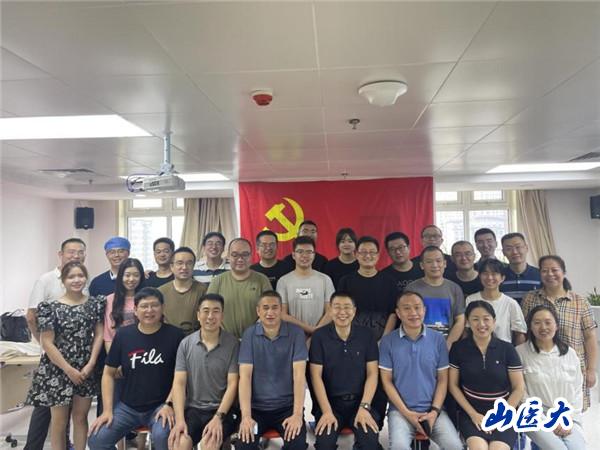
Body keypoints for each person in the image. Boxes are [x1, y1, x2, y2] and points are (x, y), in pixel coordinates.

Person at [88, 287, 184, 450]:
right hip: (127, 407)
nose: (149, 310)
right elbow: (108, 373)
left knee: (163, 437)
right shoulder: (123, 335)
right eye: (144, 306)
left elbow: (181, 377)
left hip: (160, 406)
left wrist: (169, 404)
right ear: (135, 310)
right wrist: (107, 410)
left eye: (154, 305)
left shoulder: (176, 336)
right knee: (97, 440)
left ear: (163, 308)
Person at [26, 261, 105, 450]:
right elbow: (47, 342)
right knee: (59, 422)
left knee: (80, 417)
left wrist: (91, 363)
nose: (76, 280)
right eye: (71, 277)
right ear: (63, 280)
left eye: (80, 276)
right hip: (58, 368)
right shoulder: (50, 307)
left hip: (85, 367)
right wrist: (68, 370)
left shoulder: (95, 304)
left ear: (86, 278)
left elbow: (99, 334)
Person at [24, 238, 87, 450]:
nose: (76, 255)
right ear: (60, 254)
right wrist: (46, 347)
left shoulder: (84, 280)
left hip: (78, 359)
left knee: (68, 412)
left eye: (80, 252)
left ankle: (65, 445)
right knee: (46, 409)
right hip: (54, 358)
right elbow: (31, 316)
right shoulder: (46, 280)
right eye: (71, 252)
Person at [379, 291, 463, 450]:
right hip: (400, 412)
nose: (413, 313)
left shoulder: (438, 339)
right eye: (406, 308)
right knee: (399, 447)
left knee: (455, 446)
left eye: (417, 307)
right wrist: (407, 413)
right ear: (398, 313)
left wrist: (434, 411)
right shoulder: (388, 342)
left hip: (434, 411)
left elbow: (443, 379)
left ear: (424, 310)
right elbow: (386, 381)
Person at [521, 255, 598, 410]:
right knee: (541, 411)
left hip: (571, 369)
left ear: (563, 272)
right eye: (544, 271)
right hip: (539, 367)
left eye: (554, 270)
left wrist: (591, 369)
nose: (550, 274)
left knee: (572, 411)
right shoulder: (530, 298)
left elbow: (590, 337)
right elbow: (523, 332)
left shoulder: (580, 302)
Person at [448, 301, 525, 450]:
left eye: (486, 319)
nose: (481, 324)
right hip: (471, 412)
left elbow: (519, 387)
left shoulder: (507, 349)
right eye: (475, 319)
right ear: (468, 322)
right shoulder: (458, 348)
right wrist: (473, 414)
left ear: (494, 321)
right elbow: (453, 385)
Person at [236, 291, 308, 450]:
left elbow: (299, 376)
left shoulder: (296, 333)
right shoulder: (249, 335)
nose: (270, 312)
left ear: (281, 310)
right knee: (244, 445)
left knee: (297, 445)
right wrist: (246, 416)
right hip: (256, 410)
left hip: (287, 408)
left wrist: (297, 415)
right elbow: (245, 377)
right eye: (265, 308)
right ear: (258, 311)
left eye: (275, 307)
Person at [309, 292, 380, 449]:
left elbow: (373, 374)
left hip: (360, 402)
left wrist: (364, 407)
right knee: (324, 444)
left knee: (369, 442)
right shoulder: (319, 336)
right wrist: (326, 411)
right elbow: (315, 376)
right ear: (330, 310)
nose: (342, 312)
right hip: (331, 404)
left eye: (347, 307)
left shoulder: (367, 335)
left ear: (354, 311)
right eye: (337, 307)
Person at [169, 294, 240, 450]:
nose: (210, 316)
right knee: (179, 444)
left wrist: (218, 418)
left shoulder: (233, 344)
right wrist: (179, 420)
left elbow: (233, 384)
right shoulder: (186, 344)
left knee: (210, 445)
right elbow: (179, 383)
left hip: (222, 410)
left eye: (216, 311)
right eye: (206, 311)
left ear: (222, 315)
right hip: (193, 410)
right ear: (198, 315)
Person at [517, 305, 586, 450]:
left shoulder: (570, 353)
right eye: (537, 323)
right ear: (530, 326)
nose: (543, 327)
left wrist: (567, 417)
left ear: (557, 325)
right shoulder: (520, 353)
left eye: (548, 322)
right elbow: (521, 394)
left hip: (567, 415)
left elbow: (578, 391)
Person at [207, 238, 271, 339]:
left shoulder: (262, 280)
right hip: (223, 340)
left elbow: (269, 310)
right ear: (228, 256)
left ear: (251, 255)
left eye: (245, 254)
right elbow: (208, 311)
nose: (240, 259)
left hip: (257, 338)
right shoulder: (217, 281)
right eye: (235, 255)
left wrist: (253, 333)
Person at [338, 236, 397, 341]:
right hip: (352, 338)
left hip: (383, 339)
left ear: (378, 255)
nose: (368, 256)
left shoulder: (389, 281)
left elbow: (393, 313)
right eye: (363, 252)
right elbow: (341, 311)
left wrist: (384, 340)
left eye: (372, 252)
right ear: (356, 255)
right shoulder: (346, 281)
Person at [405, 246, 465, 349]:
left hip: (447, 347)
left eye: (438, 261)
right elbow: (406, 318)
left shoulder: (454, 288)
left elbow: (460, 320)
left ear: (445, 263)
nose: (435, 265)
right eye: (429, 261)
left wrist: (448, 345)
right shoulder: (412, 289)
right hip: (417, 346)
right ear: (422, 265)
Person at [277, 236, 335, 336]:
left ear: (314, 255)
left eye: (309, 252)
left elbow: (330, 311)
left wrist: (316, 333)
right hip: (292, 336)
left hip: (321, 335)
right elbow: (282, 314)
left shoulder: (325, 280)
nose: (304, 255)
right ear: (293, 255)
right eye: (300, 252)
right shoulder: (283, 281)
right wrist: (310, 329)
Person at [466, 259, 526, 345]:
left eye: (494, 274)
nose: (489, 277)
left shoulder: (510, 303)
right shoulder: (471, 300)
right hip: (475, 349)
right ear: (479, 276)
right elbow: (466, 329)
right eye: (485, 273)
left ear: (502, 278)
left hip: (504, 350)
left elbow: (520, 334)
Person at [159, 247, 207, 335]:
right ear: (172, 266)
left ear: (193, 266)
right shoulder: (161, 291)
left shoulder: (204, 290)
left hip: (196, 339)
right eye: (180, 263)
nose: (184, 267)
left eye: (189, 263)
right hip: (167, 338)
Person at [104, 258, 145, 350]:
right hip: (118, 350)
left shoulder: (146, 299)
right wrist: (113, 358)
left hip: (144, 351)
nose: (131, 279)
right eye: (127, 275)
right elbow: (108, 336)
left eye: (136, 275)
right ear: (120, 276)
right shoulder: (110, 300)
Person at [500, 233, 541, 304]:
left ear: (526, 248)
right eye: (509, 249)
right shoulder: (499, 277)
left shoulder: (540, 274)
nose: (514, 252)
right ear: (503, 252)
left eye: (518, 247)